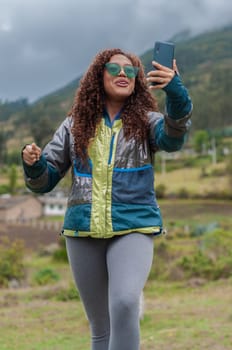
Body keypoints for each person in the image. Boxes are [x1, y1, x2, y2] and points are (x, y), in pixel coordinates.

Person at [22, 48, 192, 350]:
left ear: (139, 80)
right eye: (114, 69)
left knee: (126, 303)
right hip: (82, 231)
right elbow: (44, 181)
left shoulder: (147, 121)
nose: (123, 74)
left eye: (131, 70)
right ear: (99, 76)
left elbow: (174, 138)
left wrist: (175, 91)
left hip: (134, 225)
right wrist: (34, 165)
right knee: (101, 328)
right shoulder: (74, 125)